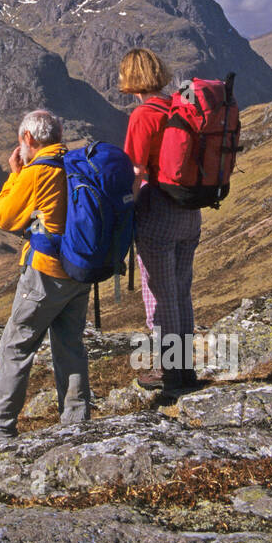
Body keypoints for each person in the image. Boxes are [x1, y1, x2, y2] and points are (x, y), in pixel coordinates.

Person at [0, 108, 92, 443]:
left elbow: (4, 217)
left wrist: (15, 174)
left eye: (22, 141)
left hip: (46, 273)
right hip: (80, 270)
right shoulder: (76, 162)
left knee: (15, 346)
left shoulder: (36, 173)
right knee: (69, 344)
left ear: (27, 139)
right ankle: (76, 420)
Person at [119, 48, 201, 393]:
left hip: (158, 212)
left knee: (159, 295)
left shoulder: (143, 115)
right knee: (181, 292)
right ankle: (185, 370)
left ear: (132, 78)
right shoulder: (183, 106)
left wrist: (126, 208)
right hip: (190, 210)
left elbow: (135, 170)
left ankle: (169, 373)